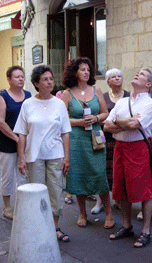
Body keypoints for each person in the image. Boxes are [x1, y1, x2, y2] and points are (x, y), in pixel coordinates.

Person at [14, 65, 71, 242]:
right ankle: (38, 228)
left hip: (55, 155)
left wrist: (67, 157)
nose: (49, 82)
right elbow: (22, 133)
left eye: (51, 79)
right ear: (36, 83)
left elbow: (65, 132)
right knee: (36, 192)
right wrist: (21, 158)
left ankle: (54, 228)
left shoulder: (59, 104)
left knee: (55, 191)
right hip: (34, 155)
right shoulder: (28, 104)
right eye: (45, 79)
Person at [104, 68, 152, 248]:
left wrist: (118, 121)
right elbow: (106, 126)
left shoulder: (149, 104)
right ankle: (127, 226)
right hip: (120, 147)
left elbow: (135, 125)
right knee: (120, 188)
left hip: (138, 148)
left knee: (143, 189)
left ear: (148, 84)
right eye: (137, 73)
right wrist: (124, 123)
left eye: (142, 75)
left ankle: (146, 230)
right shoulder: (123, 101)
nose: (137, 74)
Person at [60, 57, 114, 229]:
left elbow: (106, 113)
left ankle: (109, 213)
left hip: (96, 137)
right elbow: (60, 119)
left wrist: (96, 118)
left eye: (88, 70)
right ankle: (82, 213)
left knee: (99, 174)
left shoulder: (96, 90)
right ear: (74, 72)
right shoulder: (67, 93)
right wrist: (78, 122)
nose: (86, 73)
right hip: (76, 139)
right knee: (78, 175)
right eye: (82, 69)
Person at [91, 68, 130, 214]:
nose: (117, 78)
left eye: (119, 76)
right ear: (108, 81)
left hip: (123, 138)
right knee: (104, 171)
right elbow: (100, 116)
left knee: (120, 172)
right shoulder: (104, 97)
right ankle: (100, 201)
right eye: (113, 77)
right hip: (105, 138)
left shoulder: (129, 96)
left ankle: (119, 200)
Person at [0, 66, 31, 220]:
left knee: (24, 175)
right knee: (8, 176)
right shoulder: (3, 97)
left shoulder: (28, 95)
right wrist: (16, 139)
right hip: (7, 143)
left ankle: (24, 204)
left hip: (25, 142)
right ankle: (7, 207)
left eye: (22, 76)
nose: (21, 79)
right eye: (17, 77)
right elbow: (0, 122)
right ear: (9, 79)